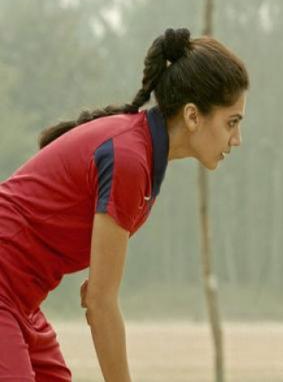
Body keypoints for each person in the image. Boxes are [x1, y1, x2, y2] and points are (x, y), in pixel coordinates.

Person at [0, 28, 249, 381]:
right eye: (232, 123)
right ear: (193, 116)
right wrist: (99, 295)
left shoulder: (143, 156)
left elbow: (97, 294)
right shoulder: (130, 159)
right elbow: (101, 304)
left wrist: (98, 291)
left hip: (21, 301)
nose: (237, 140)